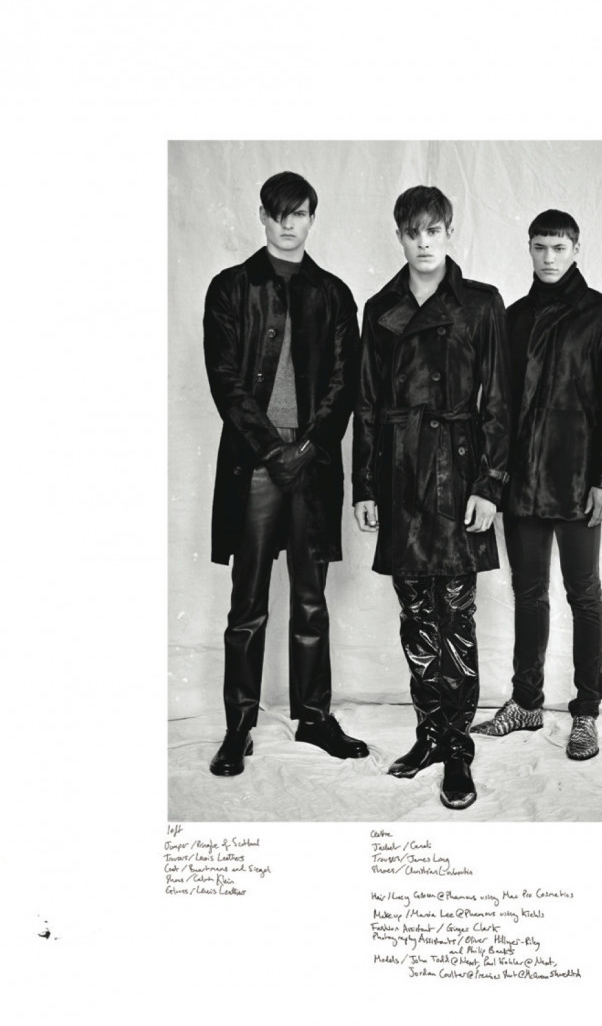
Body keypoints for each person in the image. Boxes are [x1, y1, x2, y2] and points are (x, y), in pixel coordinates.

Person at [203, 171, 368, 776]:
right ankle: (239, 726)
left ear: (312, 219)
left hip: (313, 468)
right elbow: (225, 380)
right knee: (247, 603)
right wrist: (274, 450)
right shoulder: (230, 287)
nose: (287, 224)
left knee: (310, 599)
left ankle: (315, 718)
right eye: (278, 213)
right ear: (263, 217)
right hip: (254, 464)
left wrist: (309, 446)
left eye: (298, 214)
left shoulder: (334, 293)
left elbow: (345, 383)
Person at [353, 185, 511, 809]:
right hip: (399, 477)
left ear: (449, 232)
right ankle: (429, 736)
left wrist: (490, 486)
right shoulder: (379, 307)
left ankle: (458, 751)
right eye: (412, 232)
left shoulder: (481, 303)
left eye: (433, 231)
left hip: (458, 476)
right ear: (400, 236)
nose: (423, 243)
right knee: (416, 617)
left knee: (457, 620)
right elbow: (367, 404)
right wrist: (365, 486)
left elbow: (498, 402)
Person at [473, 209, 602, 760]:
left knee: (583, 594)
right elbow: (497, 407)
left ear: (576, 249)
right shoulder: (513, 318)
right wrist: (494, 479)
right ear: (529, 248)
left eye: (559, 247)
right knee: (528, 594)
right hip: (522, 484)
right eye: (540, 247)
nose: (549, 257)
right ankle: (526, 702)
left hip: (577, 482)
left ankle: (586, 711)